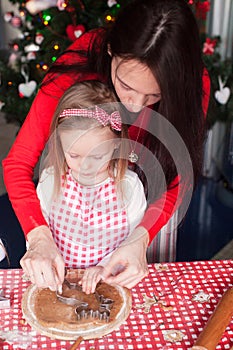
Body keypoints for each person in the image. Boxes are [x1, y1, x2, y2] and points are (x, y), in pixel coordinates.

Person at [3, 0, 210, 291]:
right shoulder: (77, 67)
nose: (135, 105)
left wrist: (140, 239)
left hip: (151, 206)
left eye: (154, 95)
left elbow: (177, 177)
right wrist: (39, 238)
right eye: (126, 86)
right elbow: (18, 163)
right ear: (111, 52)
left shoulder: (193, 84)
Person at [21, 80, 146, 294]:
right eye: (74, 155)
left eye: (97, 155)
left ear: (116, 145)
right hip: (58, 284)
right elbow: (39, 239)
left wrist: (105, 268)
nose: (86, 166)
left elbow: (134, 242)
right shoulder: (51, 181)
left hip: (109, 284)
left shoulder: (129, 187)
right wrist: (45, 265)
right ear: (60, 144)